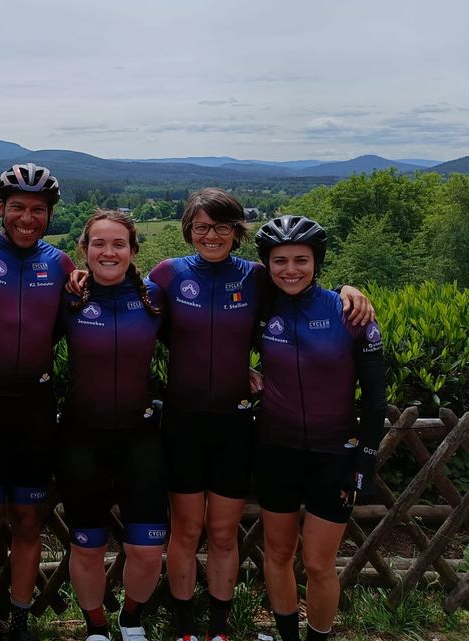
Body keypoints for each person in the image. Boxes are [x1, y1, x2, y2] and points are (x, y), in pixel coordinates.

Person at [145, 188, 373, 641]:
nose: (212, 235)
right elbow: (135, 314)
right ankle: (186, 628)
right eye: (202, 226)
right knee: (187, 532)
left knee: (226, 535)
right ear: (189, 229)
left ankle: (219, 630)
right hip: (184, 422)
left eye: (223, 226)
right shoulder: (167, 273)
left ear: (238, 231)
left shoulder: (256, 278)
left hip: (235, 424)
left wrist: (351, 290)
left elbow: (304, 290)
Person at [0, 163, 74, 641]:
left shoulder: (61, 263)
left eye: (39, 210)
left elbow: (63, 328)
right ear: (0, 208)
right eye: (18, 207)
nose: (28, 218)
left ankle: (21, 616)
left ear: (49, 215)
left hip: (35, 407)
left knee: (28, 519)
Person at [252, 215, 385, 641]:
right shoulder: (260, 307)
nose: (290, 270)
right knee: (276, 553)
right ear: (267, 265)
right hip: (276, 449)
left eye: (301, 260)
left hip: (334, 454)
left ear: (317, 262)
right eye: (280, 261)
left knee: (317, 563)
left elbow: (376, 395)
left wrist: (365, 458)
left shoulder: (350, 312)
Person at [57, 211, 167, 641]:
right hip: (81, 439)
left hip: (140, 439)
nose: (108, 251)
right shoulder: (69, 299)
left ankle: (132, 619)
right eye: (99, 244)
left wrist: (251, 371)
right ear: (84, 250)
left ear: (133, 250)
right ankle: (97, 627)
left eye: (118, 244)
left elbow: (212, 334)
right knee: (87, 545)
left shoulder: (156, 299)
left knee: (146, 548)